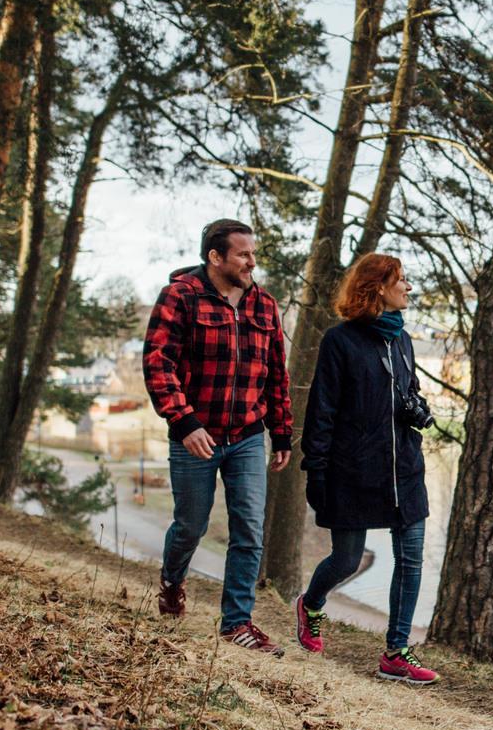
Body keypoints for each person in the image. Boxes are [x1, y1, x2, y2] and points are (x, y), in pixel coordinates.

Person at [142, 218, 292, 654]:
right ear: (215, 256)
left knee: (249, 528)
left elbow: (276, 375)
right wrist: (184, 423)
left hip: (247, 434)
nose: (252, 262)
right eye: (243, 254)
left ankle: (237, 623)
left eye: (253, 254)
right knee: (191, 525)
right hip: (196, 434)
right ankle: (172, 580)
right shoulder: (180, 297)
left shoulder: (265, 305)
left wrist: (281, 433)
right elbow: (158, 363)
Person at [293, 253, 438, 684]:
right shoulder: (340, 342)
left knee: (411, 559)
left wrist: (419, 410)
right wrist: (315, 471)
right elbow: (322, 411)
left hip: (405, 469)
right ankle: (311, 604)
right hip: (353, 470)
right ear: (377, 288)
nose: (409, 287)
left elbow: (408, 392)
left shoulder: (404, 340)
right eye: (402, 280)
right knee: (347, 559)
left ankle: (396, 653)